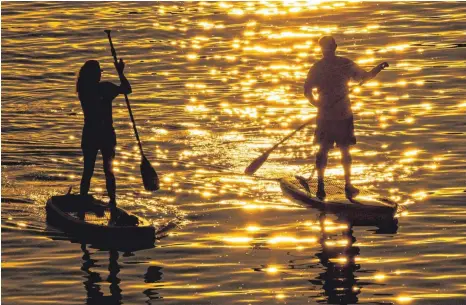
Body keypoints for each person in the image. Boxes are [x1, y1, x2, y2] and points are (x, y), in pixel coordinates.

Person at [302, 36, 388, 199]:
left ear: (322, 49)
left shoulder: (318, 67)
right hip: (341, 115)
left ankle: (322, 186)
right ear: (335, 47)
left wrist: (317, 105)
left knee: (324, 150)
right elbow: (365, 77)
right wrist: (377, 69)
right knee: (343, 150)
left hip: (329, 115)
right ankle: (345, 185)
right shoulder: (343, 64)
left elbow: (307, 92)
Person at [76, 59, 132, 207]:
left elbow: (126, 90)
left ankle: (87, 200)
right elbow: (127, 89)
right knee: (107, 171)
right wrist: (120, 72)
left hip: (92, 133)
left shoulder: (83, 89)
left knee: (90, 170)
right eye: (98, 73)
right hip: (102, 134)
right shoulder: (102, 88)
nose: (100, 76)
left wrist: (120, 72)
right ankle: (111, 201)